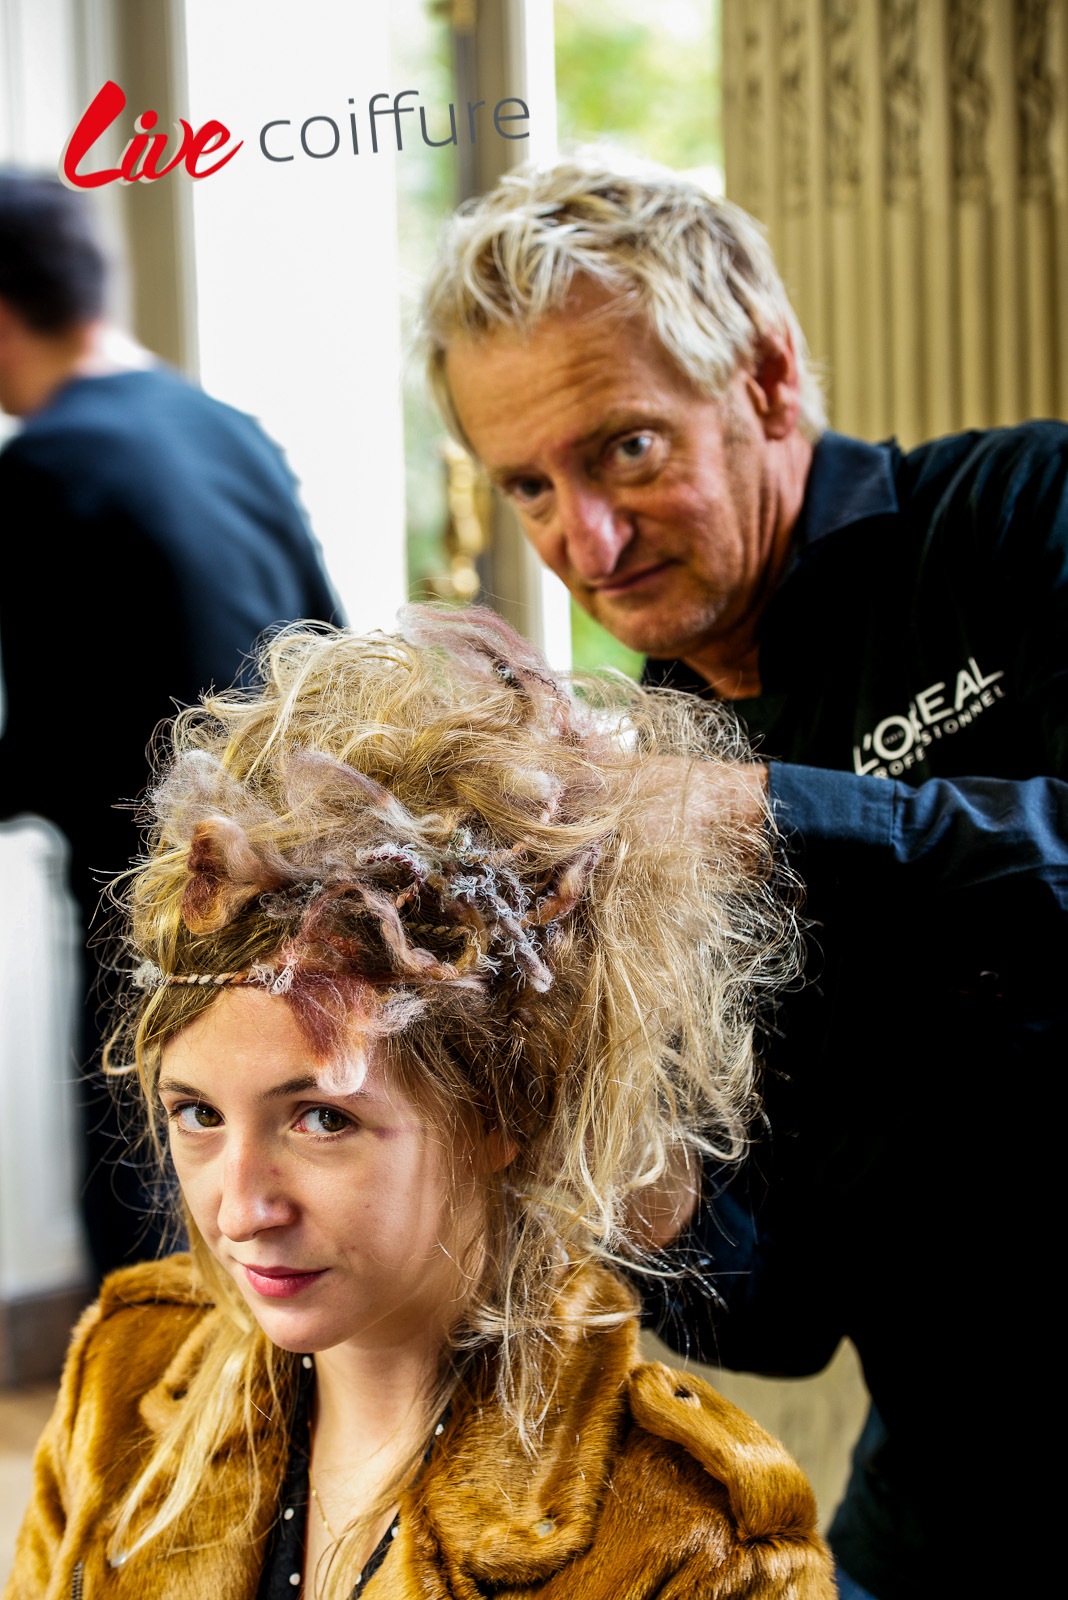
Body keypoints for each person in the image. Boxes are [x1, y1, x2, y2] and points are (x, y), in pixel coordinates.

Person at [417, 151, 1068, 1600]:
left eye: (626, 450)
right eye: (527, 483)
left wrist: (767, 813)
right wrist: (587, 1134)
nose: (583, 542)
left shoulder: (1028, 514)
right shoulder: (638, 780)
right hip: (961, 1485)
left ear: (768, 381)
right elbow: (789, 1310)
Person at [5, 608, 833, 1599]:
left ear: (500, 1106)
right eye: (199, 1114)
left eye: (321, 1118)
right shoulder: (124, 1380)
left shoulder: (682, 1543)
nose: (237, 1210)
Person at [0, 171, 341, 1276]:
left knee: (157, 1252)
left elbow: (52, 749)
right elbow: (326, 656)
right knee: (282, 1226)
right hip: (305, 913)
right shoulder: (224, 426)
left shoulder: (48, 466)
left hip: (158, 926)